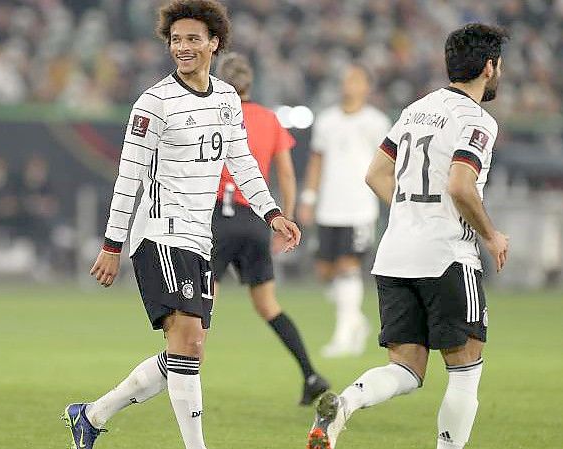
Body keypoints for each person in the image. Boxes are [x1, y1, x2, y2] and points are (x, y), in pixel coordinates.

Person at [64, 2, 302, 449]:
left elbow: (243, 163)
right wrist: (112, 245)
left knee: (186, 352)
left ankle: (91, 415)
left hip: (199, 237)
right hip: (158, 233)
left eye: (193, 39)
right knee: (189, 344)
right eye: (176, 40)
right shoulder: (154, 102)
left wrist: (273, 214)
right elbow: (129, 176)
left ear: (214, 43)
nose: (183, 47)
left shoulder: (228, 98)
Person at [306, 23, 510, 449]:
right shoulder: (477, 121)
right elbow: (460, 185)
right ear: (490, 67)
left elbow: (375, 173)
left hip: (395, 254)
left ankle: (343, 404)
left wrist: (408, 212)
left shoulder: (416, 110)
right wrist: (490, 235)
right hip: (447, 256)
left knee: (405, 369)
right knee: (465, 369)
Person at [211, 52, 329, 405]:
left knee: (198, 308)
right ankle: (310, 374)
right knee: (268, 305)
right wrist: (285, 218)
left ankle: (181, 384)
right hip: (255, 220)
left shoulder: (213, 115)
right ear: (250, 83)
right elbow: (287, 174)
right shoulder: (269, 120)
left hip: (216, 217)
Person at [298, 63, 391, 357]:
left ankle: (342, 336)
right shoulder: (326, 120)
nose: (349, 84)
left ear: (367, 86)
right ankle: (356, 321)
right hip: (329, 206)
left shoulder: (377, 122)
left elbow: (388, 165)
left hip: (360, 207)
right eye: (346, 79)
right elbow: (316, 161)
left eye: (356, 79)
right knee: (325, 271)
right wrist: (309, 198)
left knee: (348, 267)